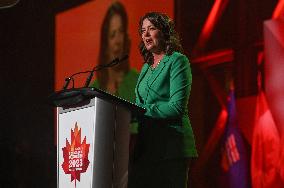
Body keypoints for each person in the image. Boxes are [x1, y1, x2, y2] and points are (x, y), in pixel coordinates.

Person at [128, 12, 198, 188]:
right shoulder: (145, 68)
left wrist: (141, 110)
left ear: (165, 32)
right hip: (146, 149)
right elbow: (139, 106)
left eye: (151, 29)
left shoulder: (177, 61)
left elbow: (176, 107)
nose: (145, 35)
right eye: (143, 30)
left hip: (171, 148)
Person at [90, 1, 139, 133]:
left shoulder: (139, 82)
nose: (117, 41)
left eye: (121, 32)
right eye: (112, 35)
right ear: (105, 45)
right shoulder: (93, 90)